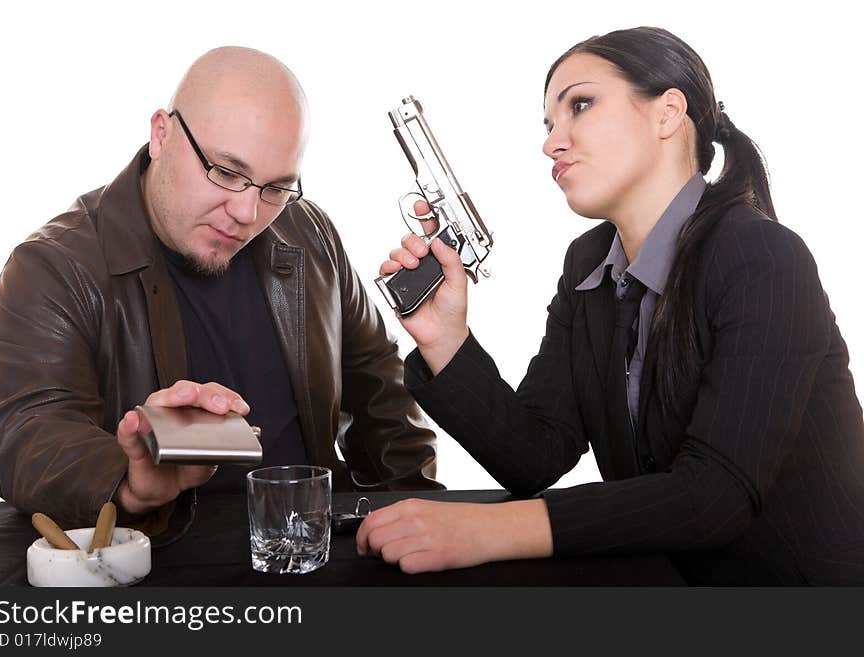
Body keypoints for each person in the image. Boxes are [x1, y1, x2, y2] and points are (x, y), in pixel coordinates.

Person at [358, 27, 864, 584]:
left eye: (580, 105)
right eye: (549, 124)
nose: (552, 142)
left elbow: (715, 495)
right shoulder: (589, 263)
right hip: (664, 579)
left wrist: (484, 530)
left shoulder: (764, 258)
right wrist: (444, 340)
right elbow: (535, 454)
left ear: (668, 113)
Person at [0, 46, 441, 545]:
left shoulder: (309, 234)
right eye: (225, 172)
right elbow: (20, 429)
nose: (247, 211)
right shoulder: (54, 265)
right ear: (161, 134)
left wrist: (414, 520)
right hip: (155, 570)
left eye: (276, 187)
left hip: (313, 554)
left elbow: (381, 391)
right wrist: (130, 481)